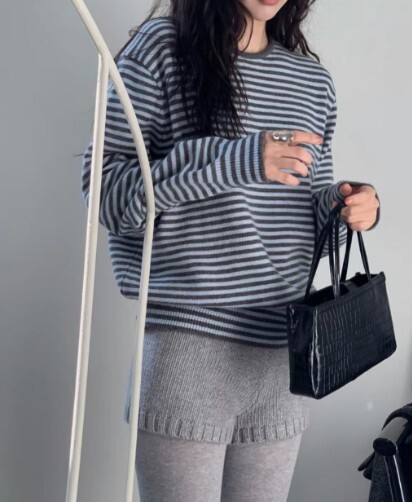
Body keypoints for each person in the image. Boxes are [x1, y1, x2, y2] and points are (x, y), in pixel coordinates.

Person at [81, 0, 380, 500]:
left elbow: (305, 224)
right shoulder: (160, 51)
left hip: (282, 363)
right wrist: (235, 159)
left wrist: (347, 208)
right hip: (187, 354)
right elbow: (106, 195)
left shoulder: (312, 81)